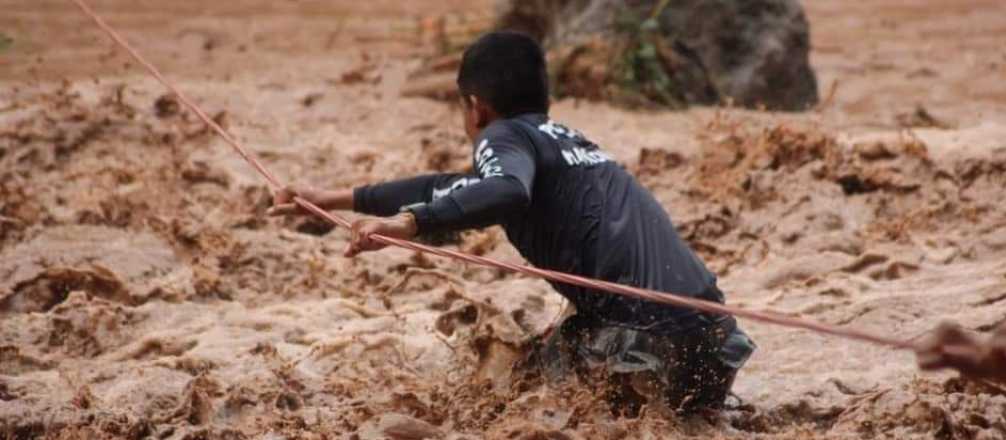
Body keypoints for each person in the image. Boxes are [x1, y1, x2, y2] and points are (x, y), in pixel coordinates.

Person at [268, 31, 755, 415]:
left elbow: (503, 191)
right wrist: (332, 198)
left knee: (523, 393)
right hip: (716, 345)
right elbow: (454, 186)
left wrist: (410, 224)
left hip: (650, 346)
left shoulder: (499, 136)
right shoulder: (566, 141)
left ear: (476, 106)